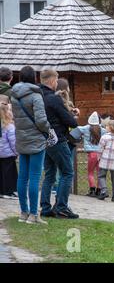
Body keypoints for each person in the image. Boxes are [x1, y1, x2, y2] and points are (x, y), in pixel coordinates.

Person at [10, 66, 52, 224]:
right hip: (36, 140)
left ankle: (23, 213)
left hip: (21, 138)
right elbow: (41, 120)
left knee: (23, 177)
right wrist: (48, 129)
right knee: (34, 177)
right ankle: (34, 215)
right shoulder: (35, 95)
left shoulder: (14, 95)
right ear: (34, 77)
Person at [39, 69, 79, 219]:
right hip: (58, 139)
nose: (57, 84)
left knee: (49, 174)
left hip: (45, 139)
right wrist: (72, 115)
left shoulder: (38, 97)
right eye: (56, 81)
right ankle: (62, 207)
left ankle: (45, 207)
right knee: (67, 172)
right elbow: (71, 122)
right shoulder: (53, 98)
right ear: (51, 80)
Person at [52, 78, 80, 196]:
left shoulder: (52, 101)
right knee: (65, 166)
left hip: (55, 137)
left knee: (55, 165)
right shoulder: (64, 103)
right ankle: (61, 189)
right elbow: (69, 121)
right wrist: (74, 116)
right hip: (66, 138)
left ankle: (56, 187)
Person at [70, 111, 106, 197]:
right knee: (99, 173)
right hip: (101, 154)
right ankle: (99, 190)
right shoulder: (103, 130)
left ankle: (92, 190)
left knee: (90, 172)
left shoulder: (85, 128)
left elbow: (74, 133)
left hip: (91, 154)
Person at [0, 97, 18, 199]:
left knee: (2, 173)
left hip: (1, 153)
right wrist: (16, 152)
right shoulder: (9, 127)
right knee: (10, 174)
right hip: (8, 153)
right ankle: (9, 191)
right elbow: (13, 142)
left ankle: (2, 191)